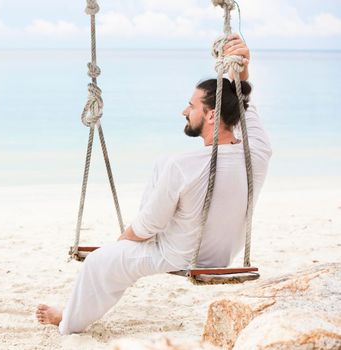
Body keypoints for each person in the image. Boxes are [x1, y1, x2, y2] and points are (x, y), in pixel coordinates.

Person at [36, 34, 272, 335]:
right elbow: (247, 112)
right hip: (223, 254)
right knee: (164, 180)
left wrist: (124, 239)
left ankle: (67, 320)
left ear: (211, 114)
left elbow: (149, 225)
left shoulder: (182, 166)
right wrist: (240, 76)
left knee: (99, 263)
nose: (184, 111)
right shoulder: (259, 153)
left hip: (181, 254)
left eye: (191, 106)